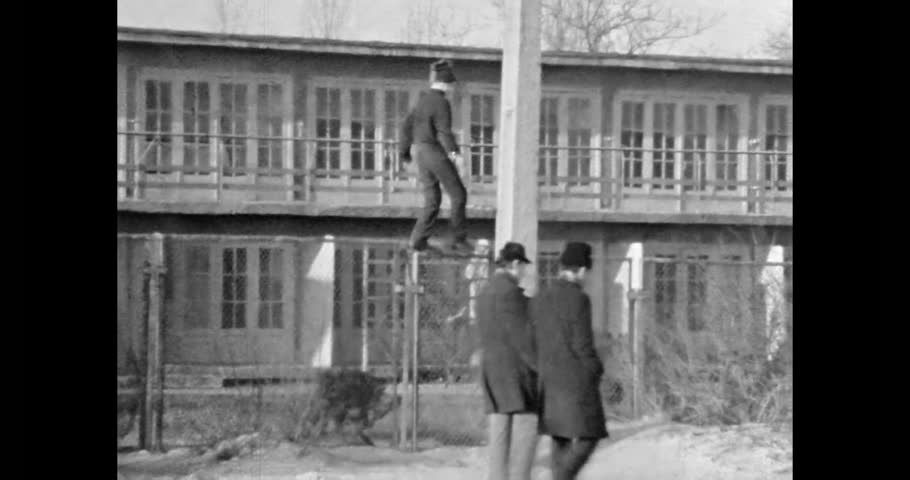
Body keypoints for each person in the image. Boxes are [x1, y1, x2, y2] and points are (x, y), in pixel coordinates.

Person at [530, 242, 607, 480]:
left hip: (548, 379)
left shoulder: (541, 296)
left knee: (560, 437)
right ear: (582, 270)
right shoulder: (579, 299)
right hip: (576, 381)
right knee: (589, 436)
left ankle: (560, 476)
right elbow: (582, 344)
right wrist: (596, 369)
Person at [476, 242, 538, 480]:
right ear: (514, 264)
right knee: (526, 430)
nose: (524, 272)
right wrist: (540, 368)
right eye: (523, 267)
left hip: (491, 370)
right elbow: (521, 338)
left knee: (499, 432)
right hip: (515, 373)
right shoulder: (510, 294)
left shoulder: (485, 292)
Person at [399, 59, 472, 255]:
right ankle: (459, 239)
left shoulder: (421, 101)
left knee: (433, 199)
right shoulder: (441, 102)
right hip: (433, 151)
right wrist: (456, 155)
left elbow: (406, 126)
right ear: (447, 84)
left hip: (420, 154)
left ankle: (418, 241)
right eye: (452, 85)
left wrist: (404, 152)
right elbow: (444, 132)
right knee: (458, 194)